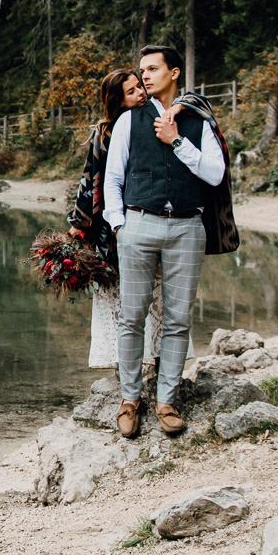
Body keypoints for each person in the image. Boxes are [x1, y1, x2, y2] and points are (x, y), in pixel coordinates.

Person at [103, 45, 226, 438]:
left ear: (174, 73)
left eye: (153, 69)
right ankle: (129, 400)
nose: (144, 78)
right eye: (141, 72)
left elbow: (215, 175)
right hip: (138, 226)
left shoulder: (197, 121)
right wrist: (120, 225)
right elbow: (113, 179)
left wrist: (177, 141)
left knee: (177, 319)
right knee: (132, 316)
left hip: (188, 227)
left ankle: (166, 401)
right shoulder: (128, 121)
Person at [66, 70, 186, 371]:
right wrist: (77, 226)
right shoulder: (105, 132)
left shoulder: (159, 118)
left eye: (138, 87)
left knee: (157, 294)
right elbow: (90, 180)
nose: (140, 93)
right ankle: (126, 371)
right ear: (117, 101)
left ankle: (161, 366)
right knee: (121, 299)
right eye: (130, 92)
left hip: (152, 217)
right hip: (114, 227)